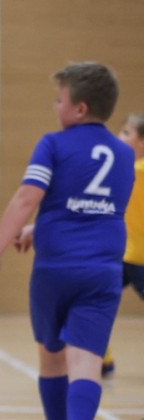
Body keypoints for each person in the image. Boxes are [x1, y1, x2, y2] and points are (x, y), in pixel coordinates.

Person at [0, 62, 135, 420]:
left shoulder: (52, 144)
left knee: (52, 357)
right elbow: (96, 207)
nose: (55, 106)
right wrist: (41, 227)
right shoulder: (125, 154)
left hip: (55, 268)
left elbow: (27, 197)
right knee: (86, 362)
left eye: (59, 99)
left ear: (79, 108)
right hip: (102, 270)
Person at [100, 112, 144, 378]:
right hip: (121, 255)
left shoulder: (134, 169)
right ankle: (103, 360)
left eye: (127, 133)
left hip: (141, 259)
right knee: (97, 304)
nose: (119, 137)